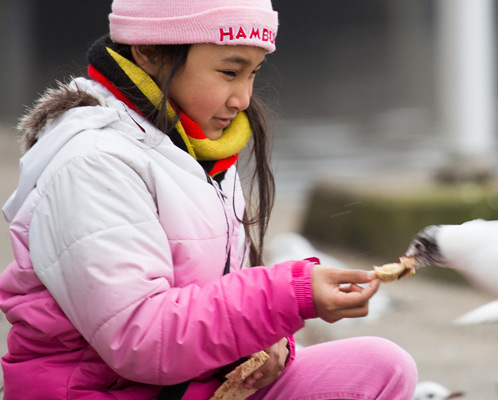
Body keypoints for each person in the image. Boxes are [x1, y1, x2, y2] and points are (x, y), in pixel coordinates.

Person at [0, 1, 417, 399]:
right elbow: (141, 341)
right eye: (229, 72)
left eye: (253, 73)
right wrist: (289, 296)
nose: (243, 99)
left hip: (191, 387)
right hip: (114, 393)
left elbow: (216, 297)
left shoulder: (193, 147)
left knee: (383, 366)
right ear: (148, 51)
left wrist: (266, 338)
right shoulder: (93, 164)